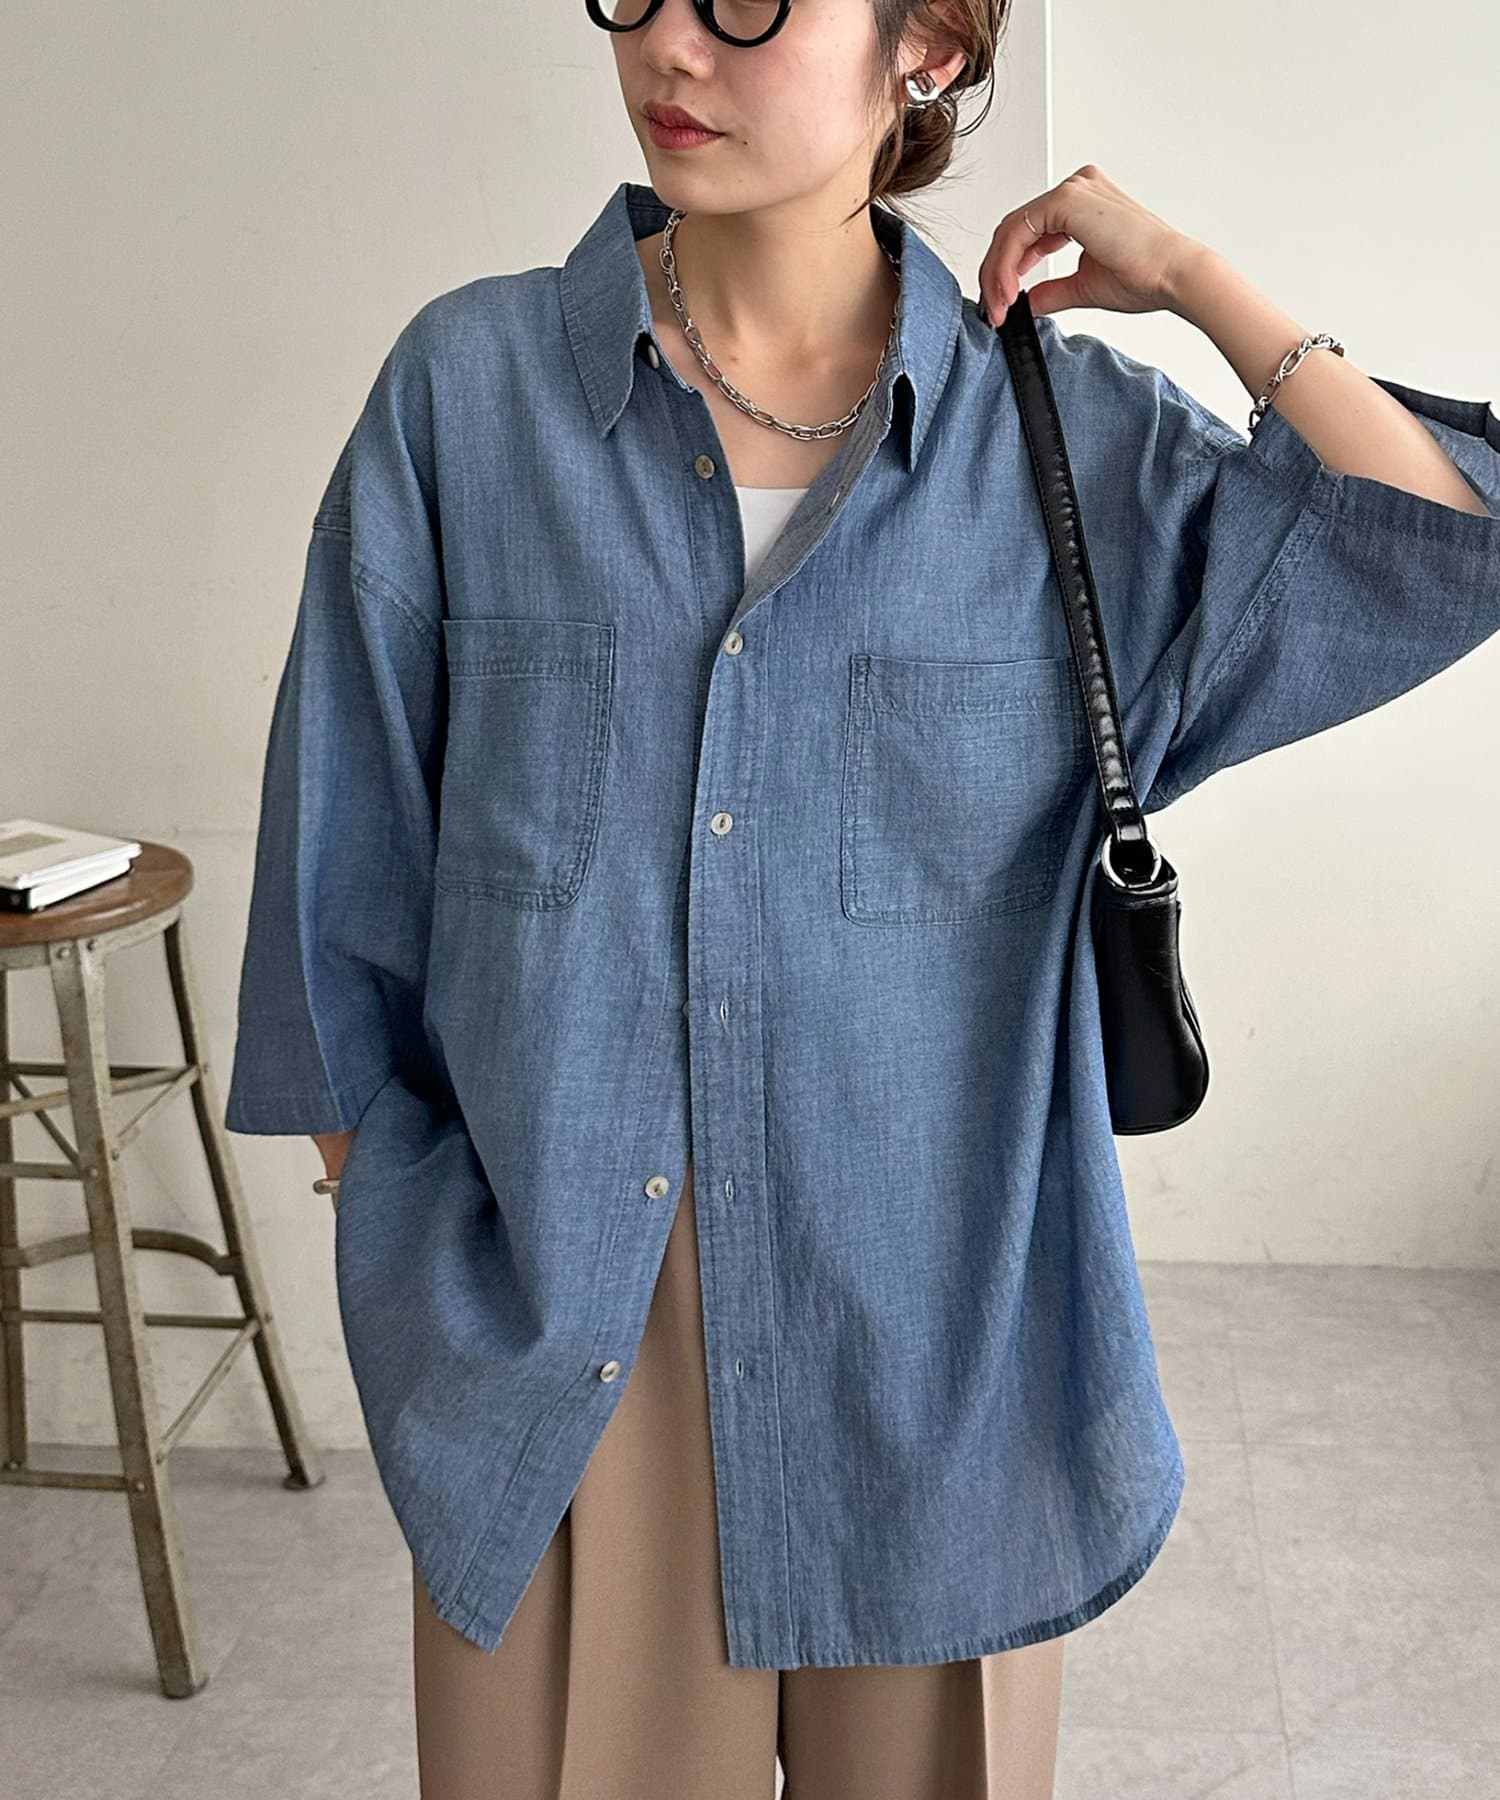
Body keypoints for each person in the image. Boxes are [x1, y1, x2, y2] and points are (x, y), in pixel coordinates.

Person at [223, 1, 1500, 1794]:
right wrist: (420, 1254)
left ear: (930, 46)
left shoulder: (1064, 452)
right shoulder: (470, 398)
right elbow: (335, 879)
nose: (672, 47)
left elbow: (1445, 544)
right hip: (568, 1353)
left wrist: (1194, 276)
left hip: (938, 1373)